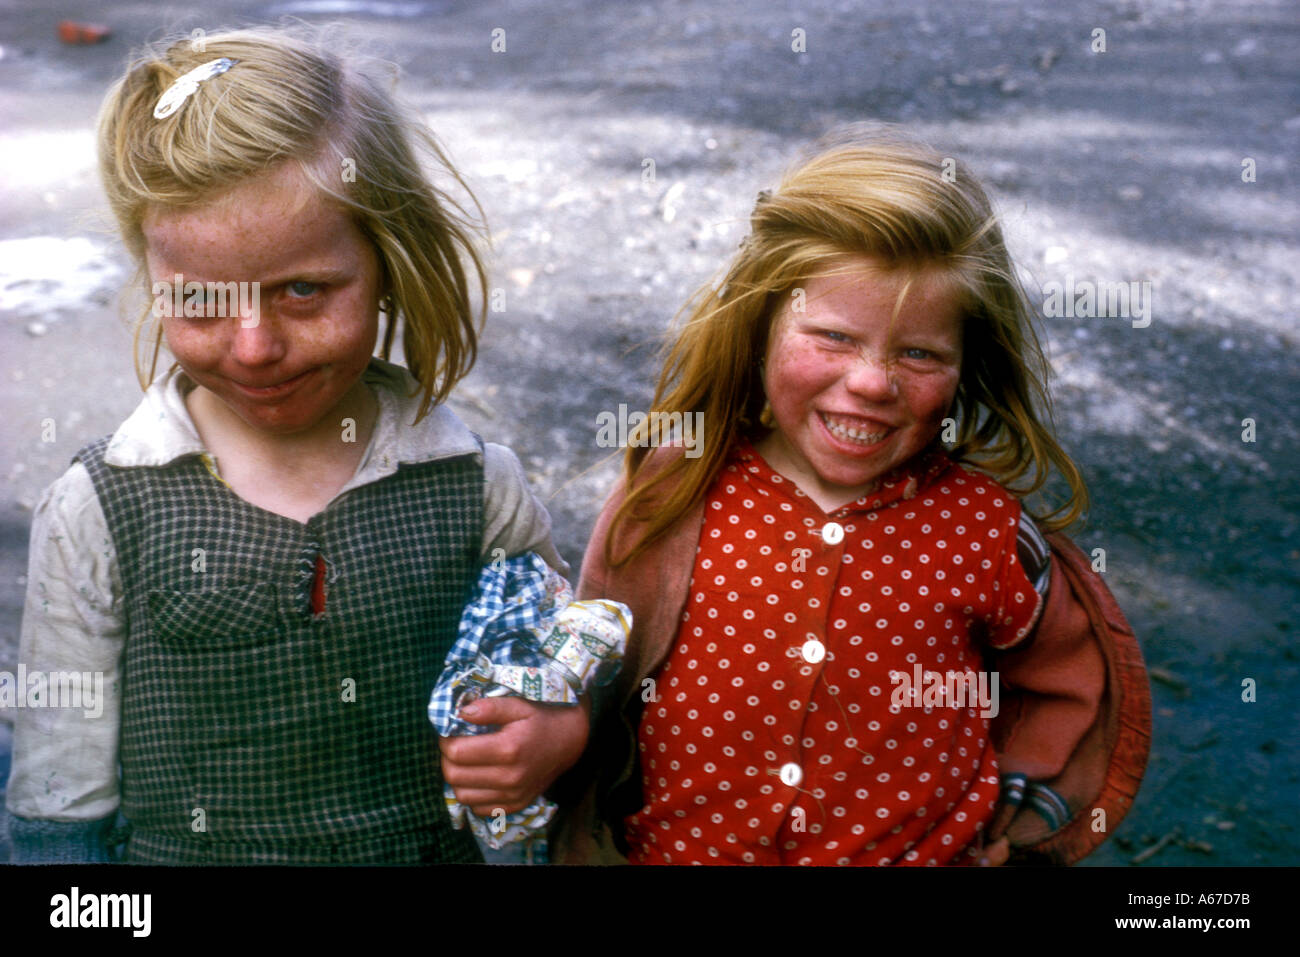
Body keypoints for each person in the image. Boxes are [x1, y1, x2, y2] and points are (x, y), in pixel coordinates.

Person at [4, 26, 588, 864]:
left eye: (304, 290)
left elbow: (552, 666)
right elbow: (58, 812)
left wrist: (557, 729)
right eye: (201, 301)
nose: (251, 346)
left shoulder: (476, 489)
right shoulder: (102, 507)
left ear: (390, 259)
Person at [551, 127, 1150, 866]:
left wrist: (1020, 817)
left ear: (968, 367)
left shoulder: (988, 531)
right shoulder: (674, 492)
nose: (871, 381)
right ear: (761, 322)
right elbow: (593, 662)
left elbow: (1063, 679)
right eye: (833, 336)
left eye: (920, 352)